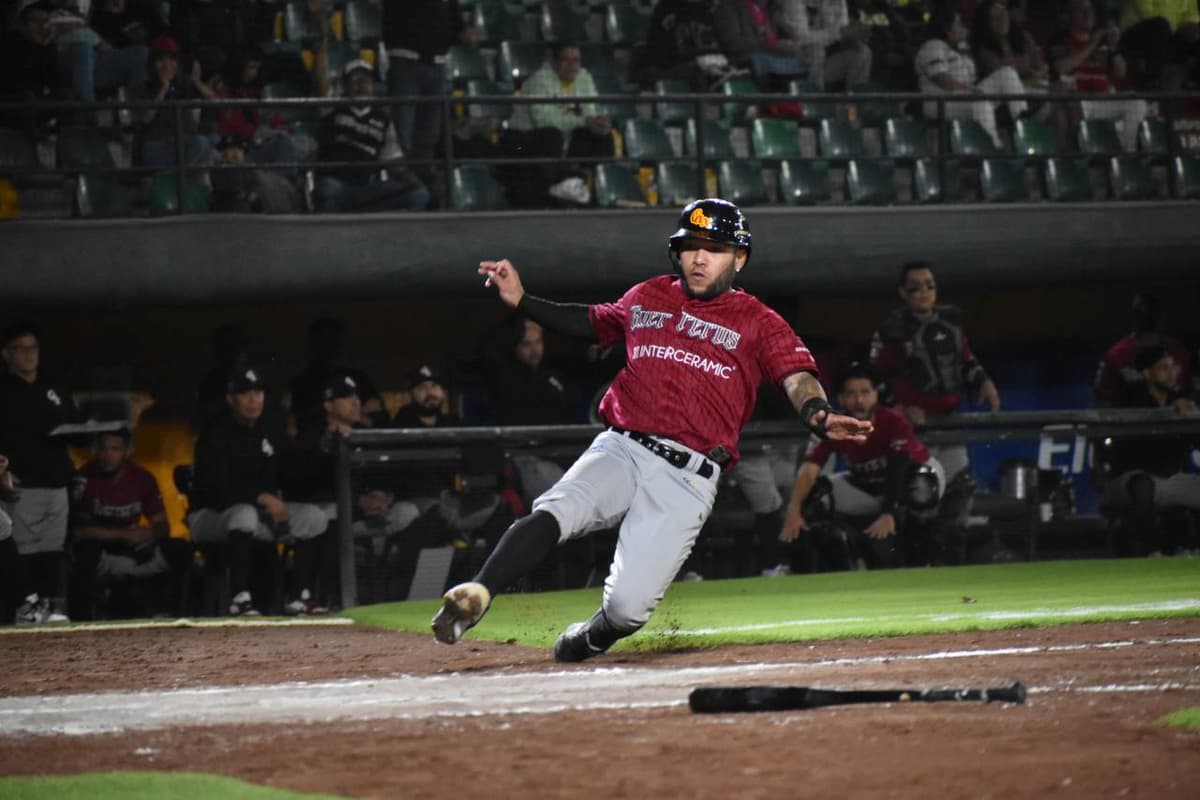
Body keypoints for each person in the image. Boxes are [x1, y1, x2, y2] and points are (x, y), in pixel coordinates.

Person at [431, 198, 872, 662]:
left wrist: (818, 413)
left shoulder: (760, 321)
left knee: (626, 610)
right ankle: (479, 591)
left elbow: (796, 376)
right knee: (556, 510)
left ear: (739, 258)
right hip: (622, 446)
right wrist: (523, 300)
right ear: (677, 252)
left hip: (689, 476)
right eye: (691, 246)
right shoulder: (646, 296)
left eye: (715, 249)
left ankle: (592, 635)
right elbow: (587, 322)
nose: (700, 258)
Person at [187, 366, 328, 616]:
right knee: (244, 513)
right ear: (231, 399)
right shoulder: (215, 433)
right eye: (245, 394)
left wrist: (324, 445)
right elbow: (214, 490)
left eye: (258, 393)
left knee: (313, 516)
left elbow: (295, 471)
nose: (254, 400)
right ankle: (239, 598)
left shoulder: (271, 430)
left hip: (260, 517)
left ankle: (299, 597)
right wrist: (260, 497)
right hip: (210, 516)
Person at [780, 363, 945, 571]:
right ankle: (845, 568)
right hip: (867, 485)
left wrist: (889, 512)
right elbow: (810, 468)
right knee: (814, 499)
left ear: (876, 395)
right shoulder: (833, 424)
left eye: (865, 392)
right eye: (851, 394)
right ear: (840, 399)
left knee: (921, 488)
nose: (859, 400)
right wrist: (793, 510)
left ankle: (923, 566)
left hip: (906, 482)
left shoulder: (892, 420)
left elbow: (899, 467)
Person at [68, 428, 193, 620]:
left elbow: (163, 525)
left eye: (115, 449)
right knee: (85, 551)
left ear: (126, 451)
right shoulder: (84, 478)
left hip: (136, 551)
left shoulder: (143, 478)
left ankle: (176, 615)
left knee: (179, 548)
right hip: (103, 553)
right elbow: (80, 531)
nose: (108, 455)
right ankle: (81, 619)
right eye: (103, 449)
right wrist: (125, 534)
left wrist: (150, 535)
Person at [0, 321, 78, 623]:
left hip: (56, 481)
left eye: (32, 348)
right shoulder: (5, 392)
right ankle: (23, 609)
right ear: (6, 354)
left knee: (52, 550)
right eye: (20, 349)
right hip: (21, 486)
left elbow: (73, 426)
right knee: (20, 548)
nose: (28, 355)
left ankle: (46, 609)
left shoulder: (52, 388)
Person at [1096, 345, 1200, 556]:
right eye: (1163, 368)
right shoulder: (1128, 400)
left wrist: (1191, 419)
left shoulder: (1181, 400)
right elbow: (1134, 449)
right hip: (1130, 478)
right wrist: (1169, 414)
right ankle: (1148, 553)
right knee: (1143, 486)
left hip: (1170, 478)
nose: (1172, 374)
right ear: (1147, 373)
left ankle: (1192, 548)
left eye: (1174, 368)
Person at [314, 59, 431, 213]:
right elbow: (320, 78)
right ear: (344, 86)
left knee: (419, 195)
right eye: (355, 81)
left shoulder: (383, 119)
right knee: (329, 189)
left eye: (366, 81)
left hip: (367, 189)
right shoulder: (332, 106)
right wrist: (323, 41)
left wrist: (412, 183)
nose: (361, 86)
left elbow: (394, 161)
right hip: (337, 185)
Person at [509, 41, 614, 205]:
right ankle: (554, 189)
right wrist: (585, 120)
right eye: (566, 60)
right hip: (526, 138)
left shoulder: (584, 78)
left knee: (604, 136)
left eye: (576, 60)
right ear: (555, 62)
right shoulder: (539, 80)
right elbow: (542, 120)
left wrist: (598, 123)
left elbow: (590, 112)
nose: (572, 66)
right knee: (551, 135)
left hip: (566, 136)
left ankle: (598, 190)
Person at [380, 0, 472, 185]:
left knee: (429, 136)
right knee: (403, 135)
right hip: (406, 62)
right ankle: (401, 190)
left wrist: (463, 32)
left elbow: (454, 21)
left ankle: (421, 192)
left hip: (437, 64)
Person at [914, 5, 1028, 148]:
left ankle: (1023, 121)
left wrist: (972, 91)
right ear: (947, 29)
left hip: (966, 96)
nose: (962, 27)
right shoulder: (933, 45)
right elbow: (942, 80)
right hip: (941, 100)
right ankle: (993, 147)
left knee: (1007, 73)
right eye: (958, 24)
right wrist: (971, 92)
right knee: (980, 102)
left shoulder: (960, 49)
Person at [1050, 0, 1148, 152]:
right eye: (1081, 10)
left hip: (1102, 100)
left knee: (1137, 103)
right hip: (1078, 101)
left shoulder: (1103, 42)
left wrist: (1114, 48)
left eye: (1090, 10)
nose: (1087, 14)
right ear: (1070, 16)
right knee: (1070, 106)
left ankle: (1129, 156)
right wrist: (1093, 43)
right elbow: (1061, 67)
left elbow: (1121, 73)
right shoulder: (1060, 39)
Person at [127, 34, 217, 169]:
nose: (167, 66)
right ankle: (176, 179)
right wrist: (163, 88)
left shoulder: (184, 83)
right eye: (161, 60)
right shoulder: (142, 88)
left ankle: (179, 179)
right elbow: (145, 119)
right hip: (157, 145)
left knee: (210, 141)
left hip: (186, 144)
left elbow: (215, 101)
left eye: (171, 60)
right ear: (151, 64)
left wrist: (197, 82)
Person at [1094, 292, 1192, 407]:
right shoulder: (1116, 355)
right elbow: (1104, 400)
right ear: (1134, 316)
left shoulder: (1178, 351)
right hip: (1132, 421)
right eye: (1142, 312)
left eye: (1153, 311)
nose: (1148, 316)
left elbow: (1186, 393)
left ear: (1162, 316)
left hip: (1172, 421)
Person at [772, 0, 873, 90]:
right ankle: (814, 102)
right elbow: (801, 37)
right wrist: (840, 34)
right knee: (816, 51)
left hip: (826, 62)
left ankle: (855, 106)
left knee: (862, 52)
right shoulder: (792, 2)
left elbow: (842, 28)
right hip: (800, 61)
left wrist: (852, 37)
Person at [1117, 0, 1200, 89]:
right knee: (1161, 26)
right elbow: (1147, 14)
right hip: (1135, 35)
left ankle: (1194, 82)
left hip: (1170, 35)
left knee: (1195, 34)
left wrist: (1191, 30)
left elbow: (1192, 18)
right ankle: (1152, 82)